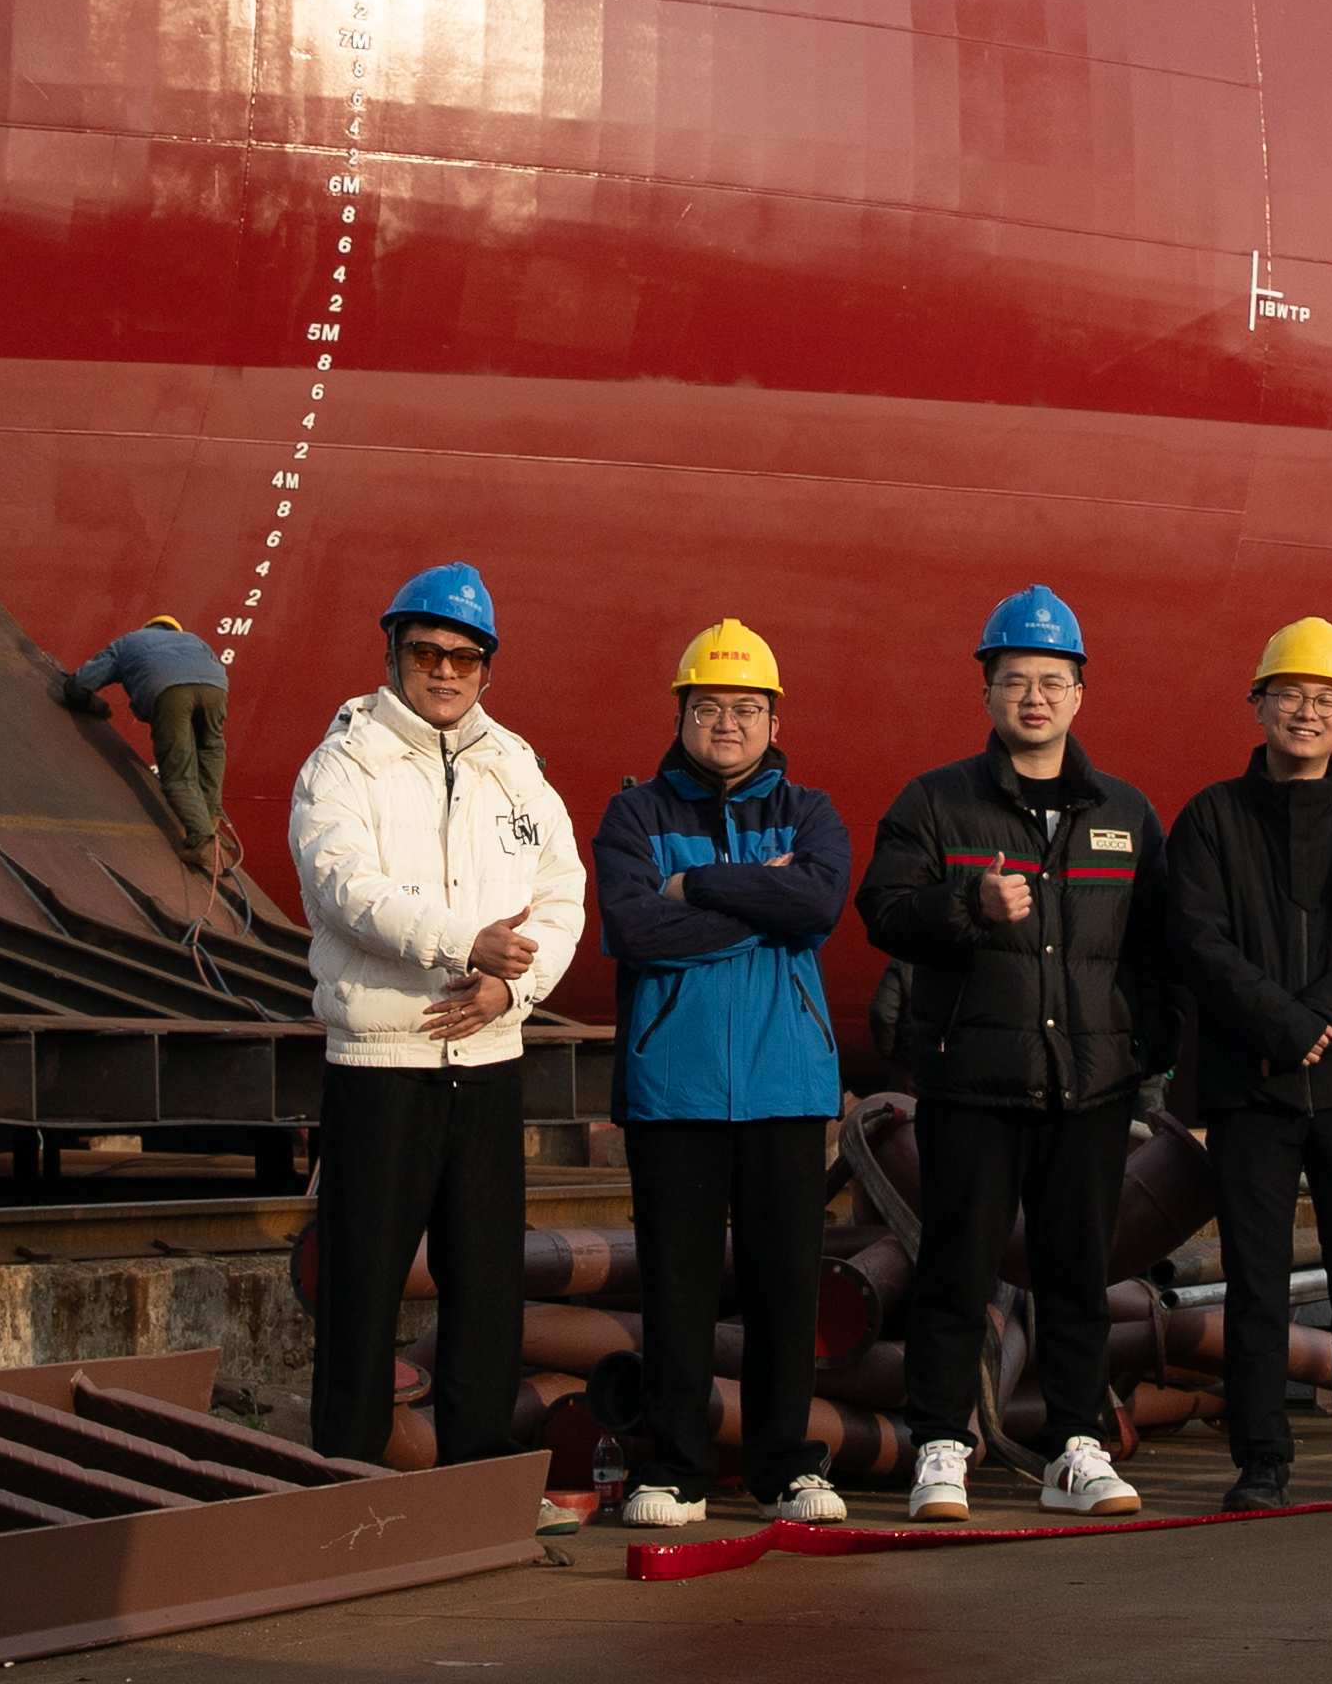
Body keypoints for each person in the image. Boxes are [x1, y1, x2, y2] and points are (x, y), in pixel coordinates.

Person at [861, 585, 1168, 1524]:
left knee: (1080, 1273)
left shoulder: (1125, 812)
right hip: (973, 1084)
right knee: (956, 1270)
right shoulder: (936, 803)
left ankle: (1075, 1447)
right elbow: (882, 912)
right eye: (1015, 681)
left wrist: (1140, 1057)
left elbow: (1159, 951)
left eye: (1052, 681)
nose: (1034, 698)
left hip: (1090, 1088)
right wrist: (967, 910)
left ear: (1080, 693)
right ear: (987, 690)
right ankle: (941, 1447)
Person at [290, 563, 586, 1519]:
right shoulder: (346, 762)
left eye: (465, 657)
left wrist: (512, 987)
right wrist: (462, 942)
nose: (446, 672)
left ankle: (479, 1486)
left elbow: (563, 896)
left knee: (486, 1286)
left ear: (488, 670)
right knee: (363, 1284)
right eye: (427, 653)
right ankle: (340, 1486)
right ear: (393, 656)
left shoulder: (516, 765)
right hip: (385, 1059)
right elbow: (344, 884)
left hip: (487, 1062)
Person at [589, 620, 854, 1530]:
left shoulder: (812, 814)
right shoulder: (635, 815)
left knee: (786, 1287)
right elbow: (633, 932)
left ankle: (786, 1464)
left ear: (776, 721)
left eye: (748, 709)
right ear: (682, 712)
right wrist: (760, 897)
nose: (729, 724)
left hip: (787, 1085)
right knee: (678, 1289)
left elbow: (818, 904)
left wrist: (695, 887)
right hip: (675, 1087)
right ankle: (674, 1469)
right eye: (711, 707)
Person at [1160, 619, 1332, 1517]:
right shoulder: (1210, 820)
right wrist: (1286, 1021)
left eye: (1327, 700)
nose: (1308, 713)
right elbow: (1198, 937)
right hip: (1254, 1088)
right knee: (1257, 1283)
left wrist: (1320, 1020)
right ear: (1259, 704)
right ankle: (1262, 1461)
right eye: (1292, 696)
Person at [58, 611, 233, 872]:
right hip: (215, 687)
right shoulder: (193, 640)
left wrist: (95, 705)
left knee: (178, 773)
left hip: (169, 691)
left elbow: (80, 684)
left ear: (149, 627)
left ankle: (202, 840)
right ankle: (209, 820)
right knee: (211, 748)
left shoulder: (130, 641)